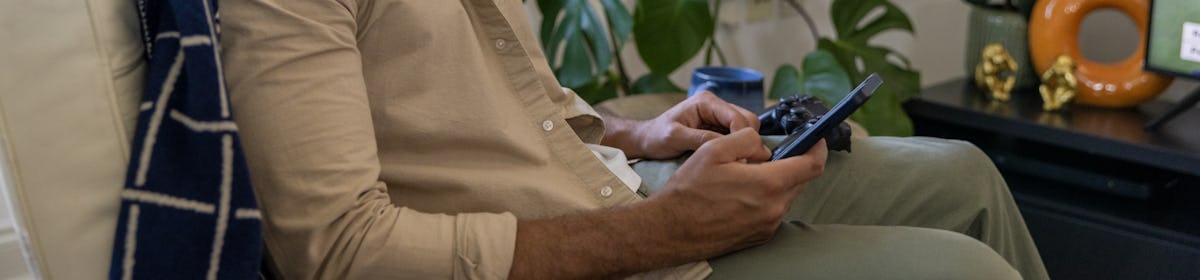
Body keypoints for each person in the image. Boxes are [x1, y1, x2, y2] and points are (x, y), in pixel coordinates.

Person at [220, 1, 1048, 279]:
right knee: (966, 270)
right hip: (583, 247)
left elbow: (512, 96)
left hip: (619, 188)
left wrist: (641, 133)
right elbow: (335, 250)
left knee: (963, 175)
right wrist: (665, 230)